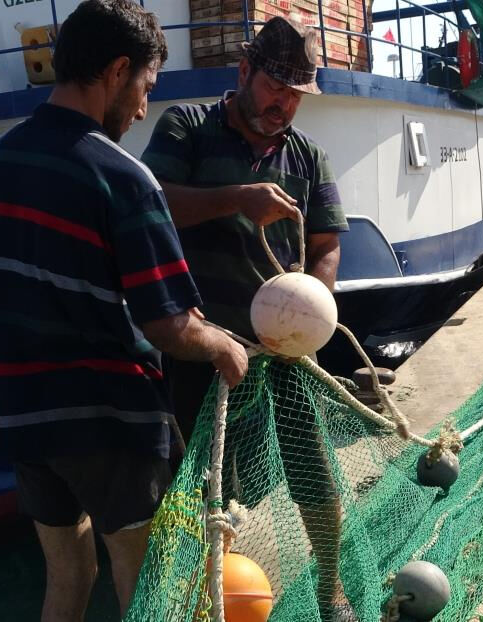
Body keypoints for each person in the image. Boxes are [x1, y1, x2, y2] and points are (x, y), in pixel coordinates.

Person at [0, 1, 248, 620]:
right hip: (108, 421)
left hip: (22, 417)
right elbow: (169, 325)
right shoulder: (123, 176)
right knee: (146, 583)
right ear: (118, 70)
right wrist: (225, 346)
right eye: (146, 86)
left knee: (69, 573)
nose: (144, 106)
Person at [141, 16, 352, 621]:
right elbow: (154, 206)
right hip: (201, 342)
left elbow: (327, 243)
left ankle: (330, 589)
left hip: (284, 349)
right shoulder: (186, 129)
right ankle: (201, 594)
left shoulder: (310, 158)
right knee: (198, 481)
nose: (283, 105)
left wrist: (311, 305)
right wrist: (238, 197)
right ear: (243, 72)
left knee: (313, 468)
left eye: (295, 95)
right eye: (273, 88)